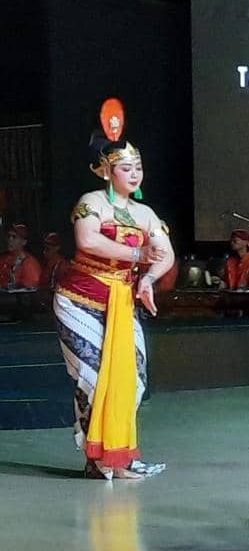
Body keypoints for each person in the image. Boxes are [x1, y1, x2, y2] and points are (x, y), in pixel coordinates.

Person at [53, 98, 174, 479]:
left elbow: (165, 254)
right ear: (106, 171)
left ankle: (119, 458)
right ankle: (97, 459)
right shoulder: (90, 204)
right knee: (92, 378)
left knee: (131, 380)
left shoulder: (146, 213)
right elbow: (89, 243)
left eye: (138, 167)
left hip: (122, 300)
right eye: (126, 168)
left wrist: (149, 280)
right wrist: (139, 253)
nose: (135, 174)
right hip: (80, 299)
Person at [1, 223, 42, 290]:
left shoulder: (30, 263)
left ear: (24, 242)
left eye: (14, 237)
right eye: (9, 236)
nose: (10, 239)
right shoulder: (4, 259)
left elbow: (29, 291)